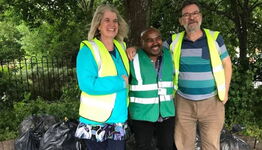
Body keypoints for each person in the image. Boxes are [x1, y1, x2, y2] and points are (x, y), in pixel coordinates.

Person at [126, 0, 232, 149]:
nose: (191, 17)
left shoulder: (215, 38)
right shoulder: (174, 41)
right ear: (181, 20)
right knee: (183, 145)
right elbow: (152, 47)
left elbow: (227, 64)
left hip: (212, 102)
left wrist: (225, 91)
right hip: (184, 103)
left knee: (211, 145)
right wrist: (135, 48)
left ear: (200, 16)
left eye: (195, 13)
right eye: (186, 15)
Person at [74, 4, 130, 150]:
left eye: (115, 20)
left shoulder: (121, 47)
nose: (112, 24)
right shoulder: (88, 50)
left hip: (118, 119)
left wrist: (134, 49)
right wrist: (120, 82)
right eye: (107, 20)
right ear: (98, 25)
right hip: (95, 122)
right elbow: (87, 84)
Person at [129, 27, 175, 150]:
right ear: (141, 43)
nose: (155, 43)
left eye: (158, 38)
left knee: (167, 147)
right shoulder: (133, 58)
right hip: (142, 115)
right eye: (149, 40)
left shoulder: (170, 55)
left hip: (166, 113)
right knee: (143, 147)